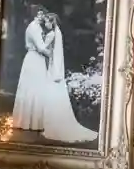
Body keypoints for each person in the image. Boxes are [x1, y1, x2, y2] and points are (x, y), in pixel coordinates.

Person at [42, 15, 98, 144]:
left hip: (54, 71)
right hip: (54, 69)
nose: (45, 25)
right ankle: (53, 123)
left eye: (46, 22)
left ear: (52, 23)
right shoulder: (56, 33)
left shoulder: (52, 34)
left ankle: (55, 125)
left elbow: (50, 53)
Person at [11, 7, 55, 132]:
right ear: (35, 15)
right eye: (40, 14)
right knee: (33, 88)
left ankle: (33, 121)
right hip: (34, 59)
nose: (42, 17)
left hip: (36, 58)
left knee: (35, 88)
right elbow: (41, 47)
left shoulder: (36, 27)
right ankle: (30, 122)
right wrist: (53, 55)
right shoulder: (34, 27)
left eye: (43, 14)